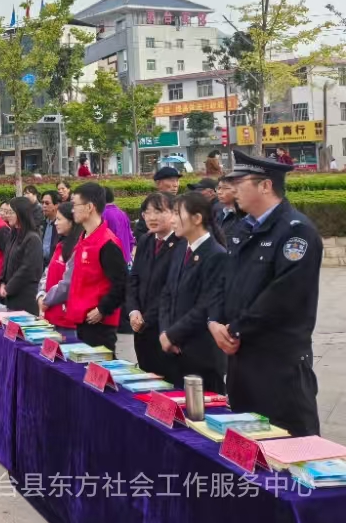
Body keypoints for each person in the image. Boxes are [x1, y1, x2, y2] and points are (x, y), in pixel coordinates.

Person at [209, 151, 322, 436]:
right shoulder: (241, 229)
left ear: (265, 186)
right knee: (245, 444)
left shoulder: (296, 232)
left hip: (278, 363)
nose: (232, 189)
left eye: (240, 182)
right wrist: (214, 321)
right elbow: (224, 280)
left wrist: (234, 329)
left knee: (290, 444)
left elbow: (283, 296)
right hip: (241, 360)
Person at [158, 192, 227, 393]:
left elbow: (205, 306)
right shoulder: (180, 249)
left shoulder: (216, 255)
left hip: (201, 354)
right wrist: (165, 332)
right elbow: (167, 293)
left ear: (197, 218)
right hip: (175, 351)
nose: (172, 220)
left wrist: (173, 334)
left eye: (177, 214)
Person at [66, 182, 127, 355]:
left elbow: (122, 283)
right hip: (81, 320)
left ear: (90, 207)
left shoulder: (107, 243)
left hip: (99, 325)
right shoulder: (84, 238)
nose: (72, 210)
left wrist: (102, 309)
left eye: (75, 205)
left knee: (99, 370)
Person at [126, 192, 180, 377]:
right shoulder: (146, 240)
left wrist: (146, 319)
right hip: (140, 327)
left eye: (158, 211)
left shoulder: (181, 244)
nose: (152, 217)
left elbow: (172, 289)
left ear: (173, 213)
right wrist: (133, 311)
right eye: (147, 213)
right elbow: (134, 278)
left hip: (165, 329)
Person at [37, 202, 82, 332]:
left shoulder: (78, 248)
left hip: (67, 320)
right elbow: (47, 273)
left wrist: (47, 300)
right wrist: (41, 295)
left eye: (59, 219)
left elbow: (67, 284)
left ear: (71, 221)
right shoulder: (60, 245)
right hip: (50, 315)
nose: (56, 223)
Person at [0, 197, 43, 314]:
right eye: (7, 212)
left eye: (11, 212)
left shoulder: (32, 238)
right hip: (11, 294)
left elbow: (28, 268)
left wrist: (9, 287)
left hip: (25, 296)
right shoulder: (13, 234)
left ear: (21, 213)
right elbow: (6, 260)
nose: (8, 216)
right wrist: (2, 282)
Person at [133, 166, 182, 241]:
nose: (175, 185)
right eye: (171, 180)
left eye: (177, 180)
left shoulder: (182, 203)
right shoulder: (150, 204)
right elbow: (140, 231)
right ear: (158, 183)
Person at [102, 187, 136, 262]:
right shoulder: (122, 214)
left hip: (111, 260)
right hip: (125, 258)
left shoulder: (102, 215)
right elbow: (131, 239)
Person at [39, 191, 61, 266]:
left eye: (47, 203)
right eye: (42, 203)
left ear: (56, 205)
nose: (44, 206)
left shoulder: (61, 226)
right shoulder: (41, 224)